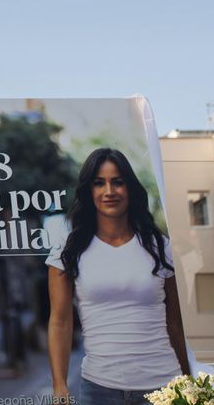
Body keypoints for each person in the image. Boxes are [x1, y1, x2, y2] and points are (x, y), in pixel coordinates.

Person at [46, 148, 189, 404]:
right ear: (89, 192)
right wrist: (59, 386)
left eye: (118, 182)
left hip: (163, 387)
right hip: (99, 388)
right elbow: (60, 323)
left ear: (130, 189)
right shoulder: (68, 250)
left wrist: (189, 382)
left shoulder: (160, 247)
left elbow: (174, 323)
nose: (109, 191)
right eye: (99, 183)